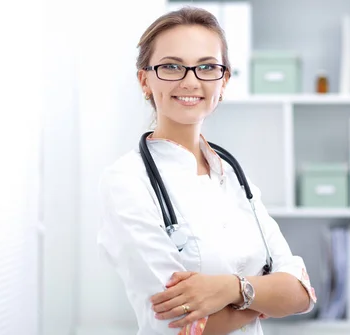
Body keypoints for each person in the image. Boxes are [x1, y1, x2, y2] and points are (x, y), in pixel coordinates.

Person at [97, 6, 317, 335]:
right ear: (145, 79)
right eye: (171, 66)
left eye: (206, 67)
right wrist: (262, 301)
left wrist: (231, 290)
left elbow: (301, 294)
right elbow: (180, 324)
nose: (190, 81)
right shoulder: (127, 182)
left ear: (224, 80)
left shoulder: (234, 178)